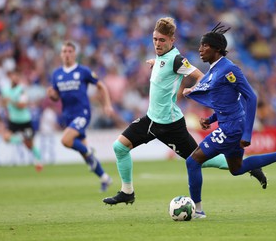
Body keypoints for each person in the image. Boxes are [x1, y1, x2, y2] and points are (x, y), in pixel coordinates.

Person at [102, 17, 267, 206]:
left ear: (172, 41)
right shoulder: (161, 57)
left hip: (170, 125)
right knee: (119, 147)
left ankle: (249, 167)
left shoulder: (177, 60)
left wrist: (193, 90)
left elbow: (201, 76)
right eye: (155, 39)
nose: (157, 43)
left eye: (162, 40)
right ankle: (127, 192)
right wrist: (155, 63)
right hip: (151, 121)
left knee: (200, 160)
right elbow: (164, 67)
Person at [184, 23, 276, 218]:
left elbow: (251, 97)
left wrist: (247, 133)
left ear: (216, 49)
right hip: (229, 124)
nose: (200, 49)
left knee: (193, 161)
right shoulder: (215, 70)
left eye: (204, 46)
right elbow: (229, 103)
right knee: (237, 168)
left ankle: (198, 211)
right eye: (200, 45)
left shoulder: (229, 69)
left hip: (233, 128)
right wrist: (211, 118)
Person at [47, 41, 114, 192]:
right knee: (84, 154)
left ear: (75, 54)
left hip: (82, 113)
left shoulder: (83, 71)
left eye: (70, 51)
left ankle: (89, 151)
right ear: (61, 54)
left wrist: (107, 105)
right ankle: (104, 178)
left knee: (66, 140)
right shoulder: (56, 74)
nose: (67, 54)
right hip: (68, 116)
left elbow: (101, 85)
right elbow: (57, 96)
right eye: (64, 51)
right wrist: (52, 96)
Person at [0, 70, 43, 171]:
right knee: (6, 138)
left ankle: (39, 161)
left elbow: (22, 106)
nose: (15, 79)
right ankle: (21, 138)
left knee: (30, 145)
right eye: (14, 76)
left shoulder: (22, 90)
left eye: (17, 77)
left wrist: (10, 101)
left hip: (25, 121)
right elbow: (4, 104)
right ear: (10, 77)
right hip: (14, 121)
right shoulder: (5, 90)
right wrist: (4, 103)